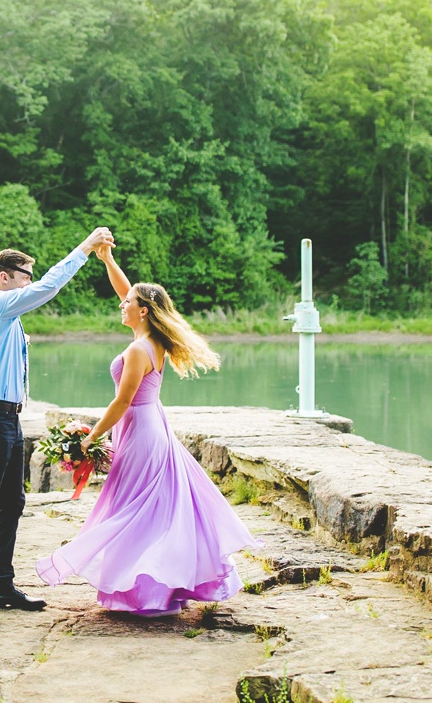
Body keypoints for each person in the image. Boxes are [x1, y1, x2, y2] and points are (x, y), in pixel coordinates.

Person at [34, 242, 258, 615]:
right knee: (148, 508)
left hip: (140, 430)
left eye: (127, 303)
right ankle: (153, 588)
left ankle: (142, 591)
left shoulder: (139, 350)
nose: (121, 304)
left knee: (134, 509)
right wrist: (107, 259)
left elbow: (122, 402)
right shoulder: (150, 339)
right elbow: (127, 291)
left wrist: (91, 437)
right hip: (150, 426)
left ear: (142, 311)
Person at [0, 226, 115, 625]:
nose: (30, 282)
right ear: (5, 276)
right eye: (25, 275)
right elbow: (49, 287)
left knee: (12, 504)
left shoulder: (10, 313)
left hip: (9, 417)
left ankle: (2, 585)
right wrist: (84, 247)